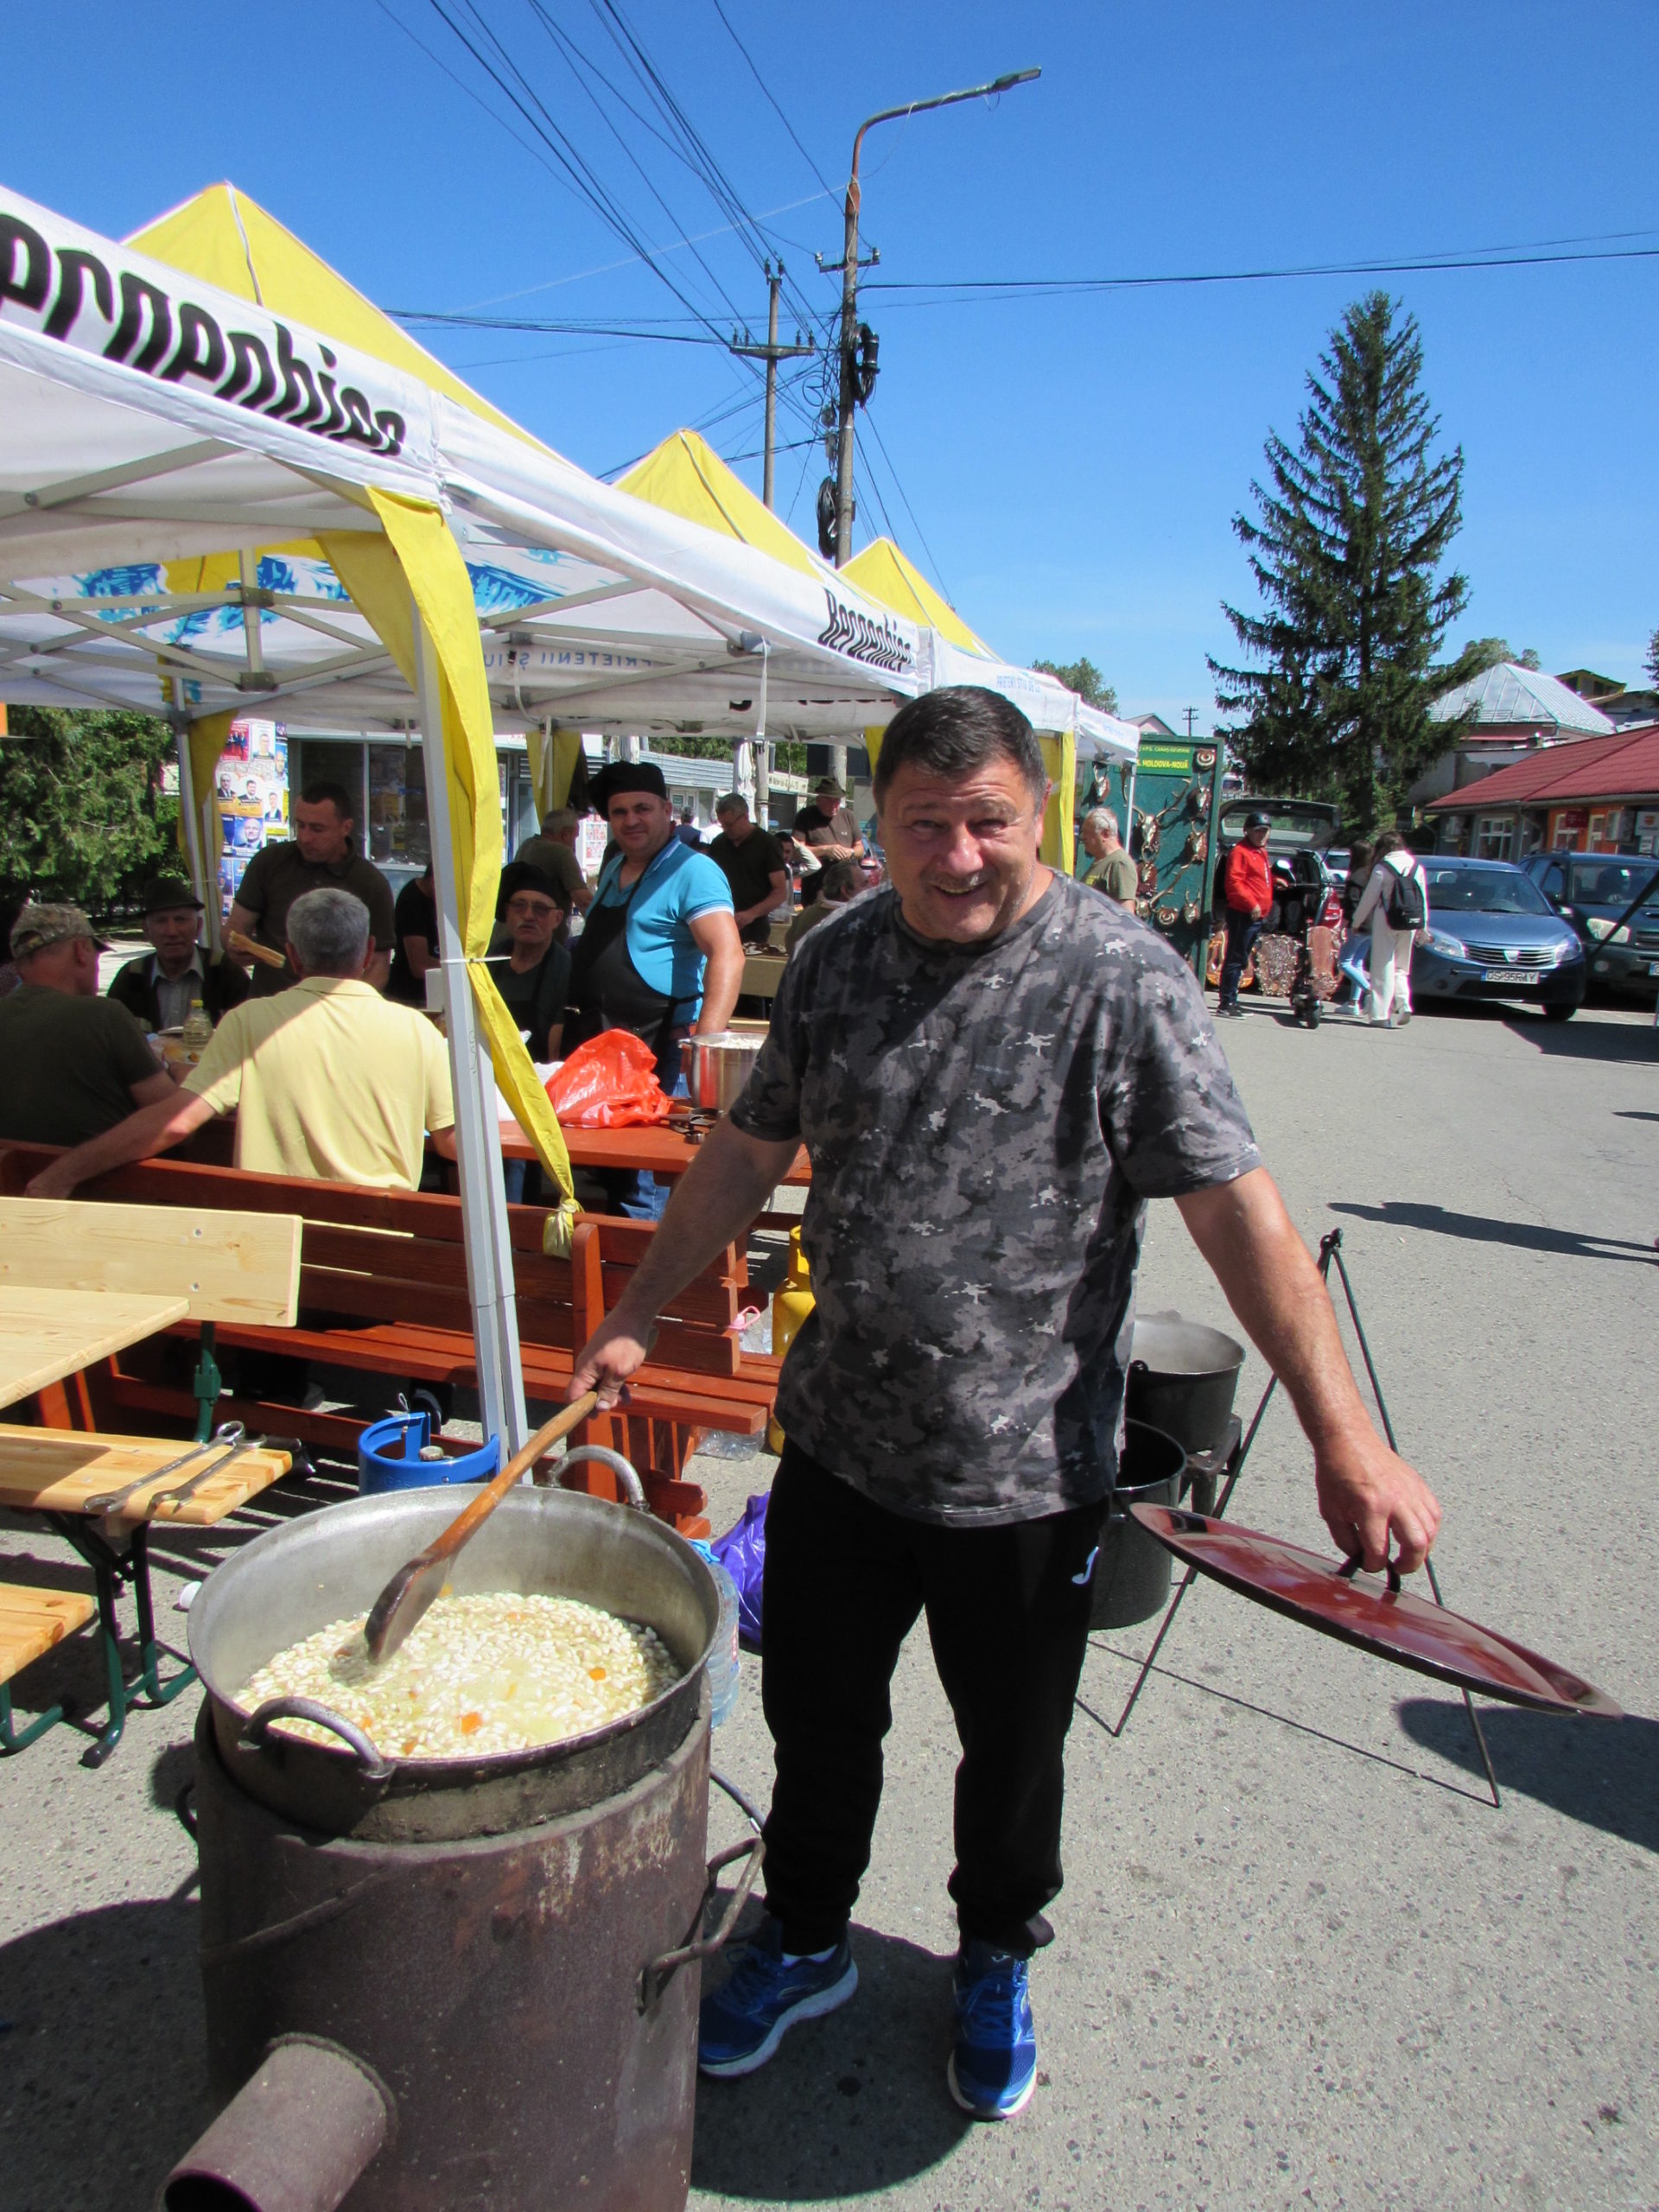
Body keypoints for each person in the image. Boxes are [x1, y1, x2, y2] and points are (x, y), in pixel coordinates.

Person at [567, 685, 1440, 2122]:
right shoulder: (838, 957)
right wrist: (638, 1307)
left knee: (1015, 1751)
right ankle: (805, 1933)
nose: (959, 855)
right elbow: (746, 1148)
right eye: (926, 824)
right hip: (840, 1442)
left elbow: (1237, 1210)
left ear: (1042, 816)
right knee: (819, 1721)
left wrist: (1345, 1435)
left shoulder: (1122, 977)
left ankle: (993, 1955)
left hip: (1027, 1472)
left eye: (989, 823)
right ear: (881, 824)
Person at [27, 889, 456, 1198]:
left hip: (270, 1255)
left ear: (292, 955)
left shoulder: (250, 1022)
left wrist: (64, 1172)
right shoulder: (419, 1031)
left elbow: (176, 1122)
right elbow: (451, 1142)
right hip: (379, 1258)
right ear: (368, 953)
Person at [565, 761, 742, 1220]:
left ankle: (649, 1263)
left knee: (648, 1185)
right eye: (619, 812)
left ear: (667, 810)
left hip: (663, 1051)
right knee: (614, 1176)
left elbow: (728, 953)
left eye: (642, 808)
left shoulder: (693, 871)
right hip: (610, 1053)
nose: (631, 820)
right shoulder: (615, 867)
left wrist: (705, 1047)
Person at [0, 904, 175, 1146]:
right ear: (81, 950)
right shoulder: (104, 1015)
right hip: (101, 1169)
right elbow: (174, 1119)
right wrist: (180, 1074)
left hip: (13, 1167)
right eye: (95, 952)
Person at [227, 780, 395, 995]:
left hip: (336, 1006)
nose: (305, 838)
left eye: (317, 829)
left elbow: (379, 966)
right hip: (272, 1003)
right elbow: (235, 926)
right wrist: (235, 943)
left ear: (346, 828)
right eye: (300, 825)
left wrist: (349, 1004)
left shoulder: (370, 882)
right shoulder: (269, 862)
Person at [107, 877, 251, 1033]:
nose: (172, 931)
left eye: (180, 919)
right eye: (161, 921)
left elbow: (251, 1032)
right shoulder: (131, 977)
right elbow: (111, 1036)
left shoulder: (226, 971)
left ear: (198, 927)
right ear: (147, 931)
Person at [493, 866, 571, 1062]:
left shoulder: (566, 970)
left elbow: (556, 1053)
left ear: (557, 919)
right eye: (519, 906)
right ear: (507, 912)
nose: (528, 915)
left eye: (540, 909)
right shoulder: (490, 959)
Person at [1351, 830, 1427, 1027]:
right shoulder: (1417, 866)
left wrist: (1356, 922)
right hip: (1411, 921)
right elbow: (1422, 899)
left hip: (1386, 919)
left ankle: (1380, 1016)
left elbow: (1368, 899)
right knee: (1401, 967)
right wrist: (1423, 926)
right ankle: (1404, 1004)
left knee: (1382, 966)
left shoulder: (1383, 868)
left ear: (1383, 848)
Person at [709, 794, 791, 949]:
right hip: (722, 923)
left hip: (755, 928)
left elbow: (780, 892)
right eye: (722, 825)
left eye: (729, 825)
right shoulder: (718, 844)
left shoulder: (768, 844)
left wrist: (751, 914)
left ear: (745, 817)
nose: (726, 830)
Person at [1217, 810, 1274, 1016]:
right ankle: (1226, 1003)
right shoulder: (1240, 852)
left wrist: (1276, 882)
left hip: (1256, 915)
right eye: (1258, 831)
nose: (1262, 835)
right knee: (1235, 957)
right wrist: (1251, 903)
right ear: (1247, 831)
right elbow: (1234, 883)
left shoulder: (1261, 852)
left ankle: (1232, 998)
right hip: (1243, 913)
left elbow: (1257, 880)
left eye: (1265, 831)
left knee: (1242, 958)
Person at [513, 808, 594, 938]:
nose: (574, 843)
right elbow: (583, 900)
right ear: (565, 834)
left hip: (511, 935)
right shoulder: (561, 852)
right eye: (575, 836)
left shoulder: (526, 845)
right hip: (538, 940)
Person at [386, 861, 439, 1007]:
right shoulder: (412, 902)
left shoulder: (435, 899)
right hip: (410, 996)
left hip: (431, 993)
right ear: (434, 881)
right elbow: (420, 966)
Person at [785, 860, 861, 956]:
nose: (871, 888)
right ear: (846, 890)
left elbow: (789, 941)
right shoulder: (851, 919)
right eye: (864, 884)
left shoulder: (807, 913)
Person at [1334, 839, 1374, 1007]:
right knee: (1357, 962)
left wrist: (1343, 926)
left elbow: (1351, 904)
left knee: (1344, 963)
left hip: (1358, 926)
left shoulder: (1355, 878)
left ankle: (1370, 991)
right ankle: (1353, 1004)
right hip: (1372, 925)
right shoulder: (1371, 875)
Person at [791, 775, 866, 865]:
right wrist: (825, 850)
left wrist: (851, 852)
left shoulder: (848, 815)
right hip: (818, 871)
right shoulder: (805, 815)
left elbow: (860, 848)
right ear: (818, 800)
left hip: (845, 870)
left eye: (837, 800)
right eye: (829, 800)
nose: (833, 805)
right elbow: (796, 851)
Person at [1078, 808, 1137, 904]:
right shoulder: (1100, 862)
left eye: (1087, 832)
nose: (1082, 837)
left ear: (1105, 834)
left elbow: (1126, 910)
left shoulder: (1119, 864)